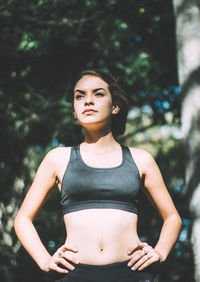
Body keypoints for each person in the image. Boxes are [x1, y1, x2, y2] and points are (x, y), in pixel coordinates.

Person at [14, 69, 182, 282]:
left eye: (98, 93)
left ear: (115, 106)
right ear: (74, 111)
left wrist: (160, 252)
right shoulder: (58, 159)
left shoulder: (141, 160)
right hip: (74, 275)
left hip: (131, 274)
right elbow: (22, 219)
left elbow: (172, 217)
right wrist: (45, 261)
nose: (88, 101)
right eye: (79, 96)